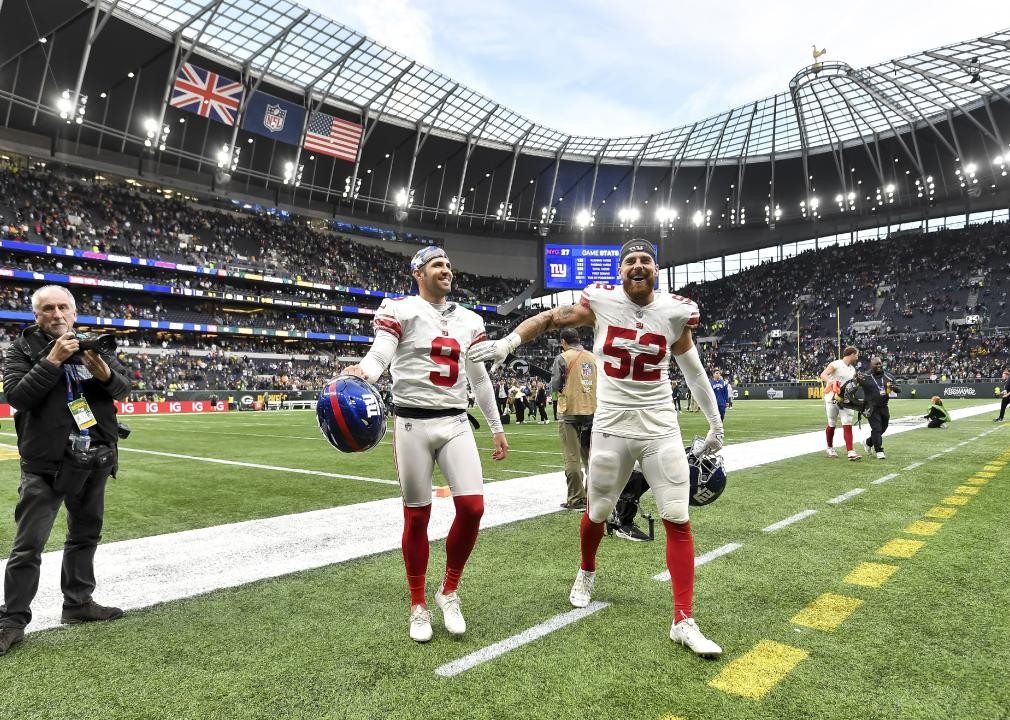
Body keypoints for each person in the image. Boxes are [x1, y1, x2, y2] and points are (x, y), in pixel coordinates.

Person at [470, 238, 725, 658]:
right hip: (611, 425)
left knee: (677, 517)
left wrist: (716, 425)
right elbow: (552, 317)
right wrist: (507, 344)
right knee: (597, 512)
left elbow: (694, 373)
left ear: (656, 270)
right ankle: (587, 570)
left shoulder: (676, 311)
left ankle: (683, 619)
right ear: (619, 271)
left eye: (646, 260)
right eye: (630, 261)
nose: (638, 266)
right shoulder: (601, 303)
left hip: (660, 425)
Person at [341, 247, 508, 644]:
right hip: (412, 423)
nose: (447, 270)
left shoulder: (470, 320)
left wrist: (497, 426)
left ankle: (448, 590)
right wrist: (364, 371)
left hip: (454, 421)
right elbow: (382, 351)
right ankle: (418, 603)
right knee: (417, 516)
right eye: (438, 265)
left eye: (449, 264)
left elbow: (480, 380)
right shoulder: (400, 309)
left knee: (473, 507)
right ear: (418, 273)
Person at [0, 285, 132, 657]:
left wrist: (105, 374)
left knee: (84, 536)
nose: (57, 314)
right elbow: (19, 397)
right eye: (47, 309)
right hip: (45, 463)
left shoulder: (95, 344)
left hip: (94, 456)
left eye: (63, 308)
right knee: (28, 545)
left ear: (74, 313)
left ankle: (77, 603)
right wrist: (52, 361)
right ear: (36, 316)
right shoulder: (22, 349)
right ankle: (11, 620)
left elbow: (123, 390)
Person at [550, 327, 595, 511]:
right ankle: (593, 495)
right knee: (591, 458)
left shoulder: (562, 357)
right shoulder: (593, 357)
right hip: (592, 410)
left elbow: (555, 385)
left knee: (572, 457)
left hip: (570, 411)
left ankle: (576, 498)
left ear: (563, 342)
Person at [820, 346, 861, 460]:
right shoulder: (836, 364)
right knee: (832, 423)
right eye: (856, 354)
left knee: (847, 422)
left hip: (845, 398)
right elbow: (823, 374)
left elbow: (851, 385)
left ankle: (850, 451)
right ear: (851, 354)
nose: (857, 357)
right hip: (832, 396)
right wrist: (830, 381)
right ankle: (830, 447)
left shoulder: (853, 369)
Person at [858, 356, 899, 460]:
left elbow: (899, 389)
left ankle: (868, 442)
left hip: (884, 406)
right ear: (871, 365)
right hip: (870, 406)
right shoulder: (865, 376)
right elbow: (854, 386)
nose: (879, 365)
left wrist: (894, 388)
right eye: (876, 364)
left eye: (880, 363)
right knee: (876, 428)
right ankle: (879, 450)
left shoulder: (888, 376)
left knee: (883, 428)